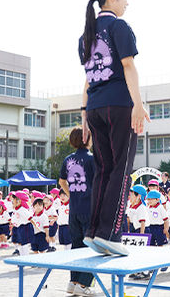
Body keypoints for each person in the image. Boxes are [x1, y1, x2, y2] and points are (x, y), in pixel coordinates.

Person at [79, 0, 149, 256]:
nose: (127, 1)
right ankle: (110, 234)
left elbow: (87, 80)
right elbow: (128, 66)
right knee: (121, 170)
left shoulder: (86, 34)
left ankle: (94, 231)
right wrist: (138, 104)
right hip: (118, 105)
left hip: (95, 107)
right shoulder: (119, 27)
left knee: (104, 171)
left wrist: (84, 116)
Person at [58, 127, 96, 296]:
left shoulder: (68, 159)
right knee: (92, 247)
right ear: (86, 139)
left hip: (74, 209)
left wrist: (71, 195)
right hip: (89, 209)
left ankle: (73, 282)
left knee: (76, 246)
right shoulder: (92, 159)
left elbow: (61, 181)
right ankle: (83, 284)